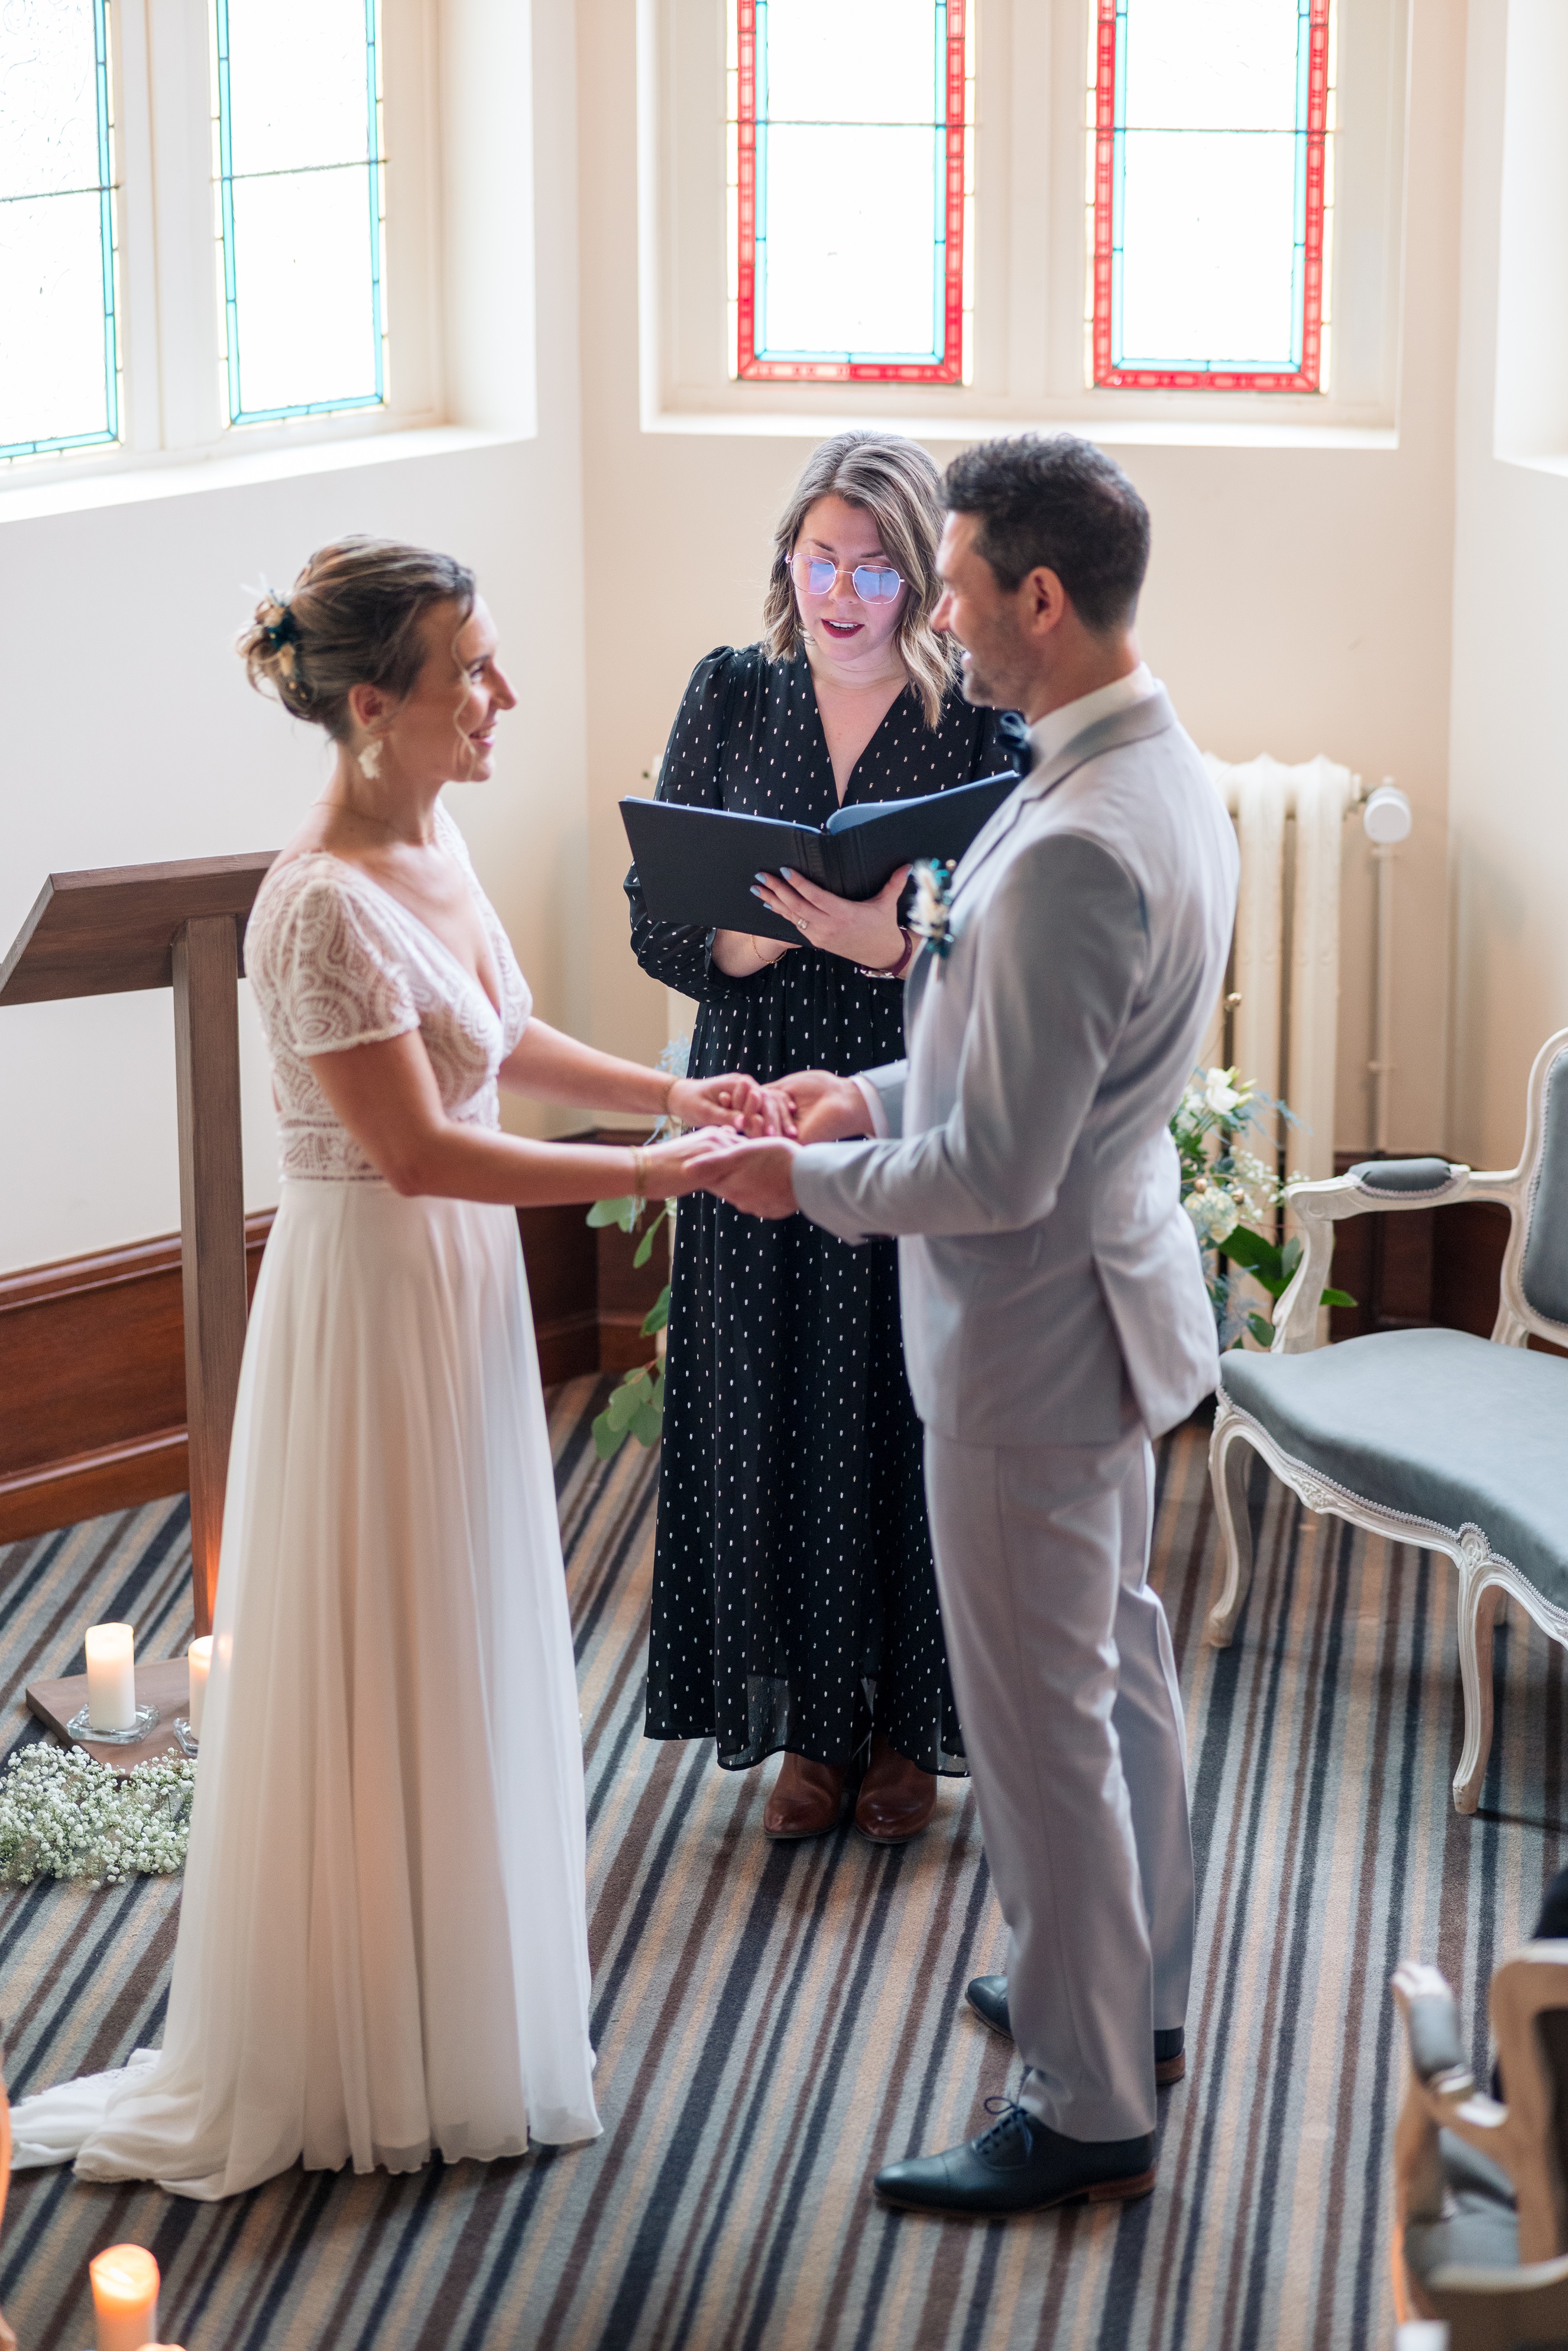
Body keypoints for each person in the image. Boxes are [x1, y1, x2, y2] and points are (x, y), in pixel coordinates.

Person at [9, 539, 747, 2199]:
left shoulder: (435, 834)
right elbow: (421, 1150)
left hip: (464, 1293)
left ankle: (456, 1996)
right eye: (471, 671)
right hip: (373, 1302)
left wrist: (673, 1095)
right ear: (368, 708)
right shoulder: (316, 903)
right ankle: (351, 2030)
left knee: (467, 1614)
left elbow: (502, 1039)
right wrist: (648, 1180)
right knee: (382, 1618)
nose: (506, 695)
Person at [691, 435, 1240, 2214]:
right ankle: (1126, 1990)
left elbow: (998, 1172)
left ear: (1041, 600)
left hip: (1030, 1338)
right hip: (1110, 1297)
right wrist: (857, 1094)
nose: (932, 611)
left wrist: (805, 1186)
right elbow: (1009, 1063)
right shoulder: (1142, 761)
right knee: (1123, 1680)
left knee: (1038, 1733)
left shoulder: (1080, 835)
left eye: (956, 581)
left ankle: (1084, 2103)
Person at [626, 432, 1024, 1844]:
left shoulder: (983, 722)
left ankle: (907, 1729)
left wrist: (887, 936)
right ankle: (808, 1730)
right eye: (819, 558)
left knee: (905, 1400)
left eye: (873, 565)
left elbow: (1020, 931)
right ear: (787, 561)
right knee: (765, 1402)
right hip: (751, 1096)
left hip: (904, 1088)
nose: (841, 591)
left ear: (919, 582)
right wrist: (733, 932)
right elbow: (654, 910)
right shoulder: (733, 690)